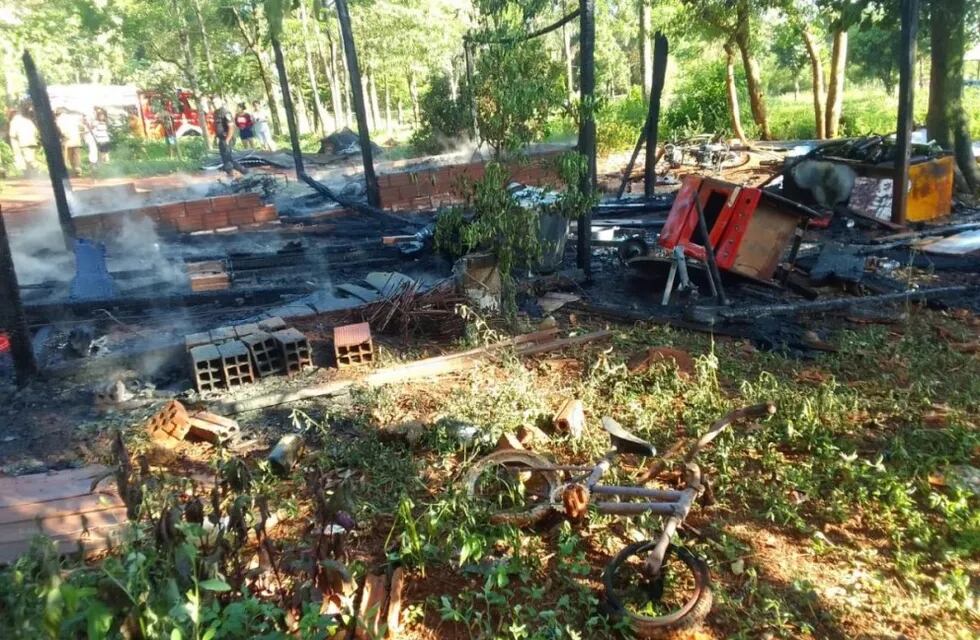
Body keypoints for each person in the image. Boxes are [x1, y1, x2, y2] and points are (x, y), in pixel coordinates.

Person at [213, 98, 246, 176]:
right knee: (227, 158)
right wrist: (216, 137)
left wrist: (227, 140)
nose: (214, 104)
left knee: (227, 159)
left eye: (215, 102)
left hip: (227, 138)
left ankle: (231, 176)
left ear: (220, 102)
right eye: (212, 102)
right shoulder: (216, 112)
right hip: (221, 138)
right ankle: (244, 171)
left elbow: (231, 127)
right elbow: (217, 126)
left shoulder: (225, 112)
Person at [8, 105, 39, 175]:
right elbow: (36, 131)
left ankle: (33, 173)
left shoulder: (14, 121)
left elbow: (12, 134)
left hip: (23, 143)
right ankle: (34, 174)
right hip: (32, 141)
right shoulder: (27, 120)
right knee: (31, 158)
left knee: (29, 159)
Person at [55, 108, 85, 177]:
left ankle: (65, 171)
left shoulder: (58, 120)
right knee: (76, 156)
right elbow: (82, 127)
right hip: (76, 140)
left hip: (66, 141)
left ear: (58, 114)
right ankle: (77, 169)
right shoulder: (73, 118)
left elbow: (59, 130)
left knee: (66, 156)